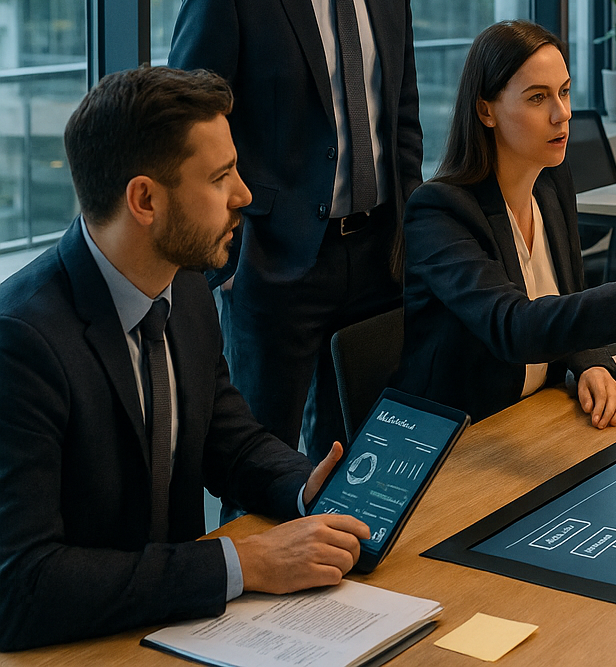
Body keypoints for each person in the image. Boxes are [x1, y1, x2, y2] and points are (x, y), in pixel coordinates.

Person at [0, 67, 371, 651]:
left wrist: (307, 489)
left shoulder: (187, 288)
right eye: (221, 176)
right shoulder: (20, 341)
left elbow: (228, 440)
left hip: (183, 632)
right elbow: (20, 588)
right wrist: (239, 563)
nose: (244, 195)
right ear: (145, 199)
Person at [169, 0, 423, 462]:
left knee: (368, 453)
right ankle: (255, 572)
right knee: (263, 457)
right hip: (273, 264)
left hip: (377, 259)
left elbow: (401, 119)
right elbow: (189, 128)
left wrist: (409, 233)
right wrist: (220, 262)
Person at [392, 20, 616, 425]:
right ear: (486, 110)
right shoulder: (439, 211)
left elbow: (564, 296)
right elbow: (514, 326)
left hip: (534, 415)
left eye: (564, 91)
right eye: (538, 98)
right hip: (460, 436)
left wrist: (591, 362)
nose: (563, 114)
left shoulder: (551, 180)